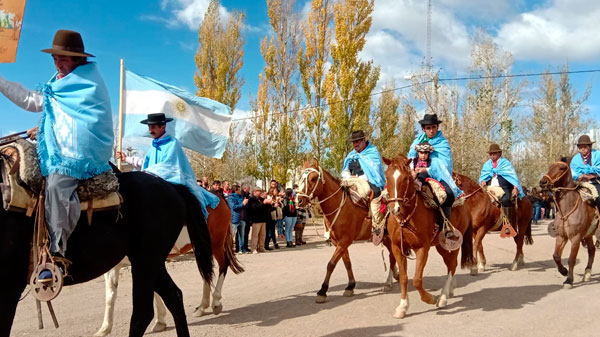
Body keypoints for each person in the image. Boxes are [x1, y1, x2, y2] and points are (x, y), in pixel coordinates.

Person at [0, 30, 113, 281]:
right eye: (55, 58)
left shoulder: (85, 83)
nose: (58, 63)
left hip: (81, 150)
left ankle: (56, 255)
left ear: (78, 59)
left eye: (63, 58)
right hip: (60, 143)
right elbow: (61, 114)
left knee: (56, 184)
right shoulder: (61, 82)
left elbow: (35, 102)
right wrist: (42, 128)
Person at [115, 113, 219, 219]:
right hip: (154, 181)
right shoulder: (153, 146)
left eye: (154, 127)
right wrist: (126, 158)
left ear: (163, 127)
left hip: (172, 182)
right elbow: (146, 164)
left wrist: (146, 173)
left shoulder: (173, 144)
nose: (150, 130)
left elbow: (168, 167)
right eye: (149, 127)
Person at [341, 130, 386, 243]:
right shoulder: (351, 155)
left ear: (363, 140)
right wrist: (348, 177)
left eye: (357, 141)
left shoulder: (372, 152)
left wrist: (360, 178)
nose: (355, 144)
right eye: (354, 142)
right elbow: (345, 170)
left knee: (375, 193)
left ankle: (377, 226)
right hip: (352, 180)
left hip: (369, 180)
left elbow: (375, 171)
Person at [410, 141, 462, 237]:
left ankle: (445, 224)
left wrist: (426, 170)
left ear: (429, 153)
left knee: (449, 194)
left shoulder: (435, 162)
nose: (423, 155)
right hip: (416, 181)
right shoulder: (412, 161)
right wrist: (413, 173)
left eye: (426, 153)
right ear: (417, 152)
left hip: (434, 180)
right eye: (421, 152)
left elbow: (439, 172)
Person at [479, 143, 525, 231]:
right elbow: (483, 176)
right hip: (490, 187)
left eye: (494, 154)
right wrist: (483, 181)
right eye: (491, 154)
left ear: (499, 153)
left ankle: (508, 224)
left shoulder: (506, 163)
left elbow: (513, 176)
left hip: (504, 188)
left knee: (506, 200)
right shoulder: (487, 165)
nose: (492, 156)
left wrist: (515, 188)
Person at [570, 135, 600, 213]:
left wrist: (594, 174)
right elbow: (573, 172)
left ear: (589, 146)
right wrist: (579, 176)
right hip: (579, 182)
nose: (582, 149)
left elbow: (598, 168)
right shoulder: (575, 159)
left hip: (595, 181)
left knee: (599, 197)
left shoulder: (597, 155)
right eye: (580, 147)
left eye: (585, 147)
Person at [248, 187, 271, 254]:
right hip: (256, 220)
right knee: (255, 235)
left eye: (260, 191)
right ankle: (253, 248)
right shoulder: (252, 199)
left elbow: (266, 208)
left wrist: (269, 204)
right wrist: (263, 203)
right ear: (254, 192)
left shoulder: (261, 199)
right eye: (258, 191)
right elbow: (254, 208)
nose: (259, 192)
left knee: (263, 235)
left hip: (263, 219)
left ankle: (261, 247)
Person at [226, 184, 248, 253]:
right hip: (235, 219)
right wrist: (243, 204)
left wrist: (245, 203)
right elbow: (234, 207)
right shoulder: (231, 198)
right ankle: (228, 249)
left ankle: (242, 249)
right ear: (235, 190)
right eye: (239, 189)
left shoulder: (241, 197)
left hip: (242, 219)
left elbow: (244, 206)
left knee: (242, 236)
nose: (240, 191)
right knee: (231, 236)